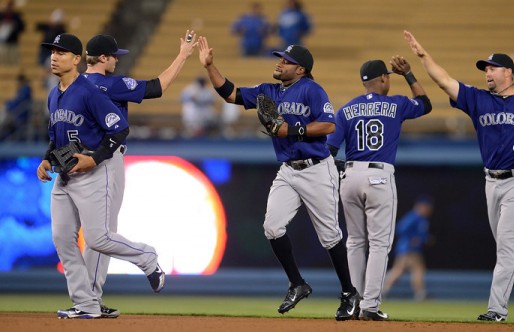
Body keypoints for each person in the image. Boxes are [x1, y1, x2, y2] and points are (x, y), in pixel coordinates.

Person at [403, 30, 514, 322]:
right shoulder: (478, 99)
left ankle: (497, 310)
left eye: (492, 68)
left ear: (508, 72)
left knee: (506, 245)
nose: (487, 73)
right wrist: (422, 55)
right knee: (510, 244)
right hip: (491, 181)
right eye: (485, 69)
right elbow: (443, 80)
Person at [197, 36, 359, 320]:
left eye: (287, 61)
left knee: (330, 236)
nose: (280, 63)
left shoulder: (312, 89)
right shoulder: (267, 91)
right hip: (288, 170)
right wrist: (210, 66)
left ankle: (349, 293)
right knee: (272, 227)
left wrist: (292, 130)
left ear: (301, 69)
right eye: (280, 58)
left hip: (317, 169)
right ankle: (297, 283)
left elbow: (329, 124)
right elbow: (230, 94)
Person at [35, 33, 165, 319]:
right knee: (61, 238)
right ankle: (86, 303)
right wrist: (46, 158)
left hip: (93, 171)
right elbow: (56, 136)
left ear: (77, 59)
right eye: (52, 51)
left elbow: (119, 129)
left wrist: (94, 159)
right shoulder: (54, 93)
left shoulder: (90, 91)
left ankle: (147, 257)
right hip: (64, 174)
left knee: (98, 238)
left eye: (61, 52)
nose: (54, 56)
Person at [82, 31, 197, 318]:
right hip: (105, 160)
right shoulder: (112, 84)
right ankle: (144, 259)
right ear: (104, 58)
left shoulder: (72, 86)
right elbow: (157, 87)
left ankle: (90, 299)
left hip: (76, 162)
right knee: (101, 233)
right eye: (114, 57)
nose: (117, 62)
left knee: (87, 235)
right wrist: (183, 55)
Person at [327, 58, 432, 320]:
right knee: (379, 244)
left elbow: (328, 151)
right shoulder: (396, 103)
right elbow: (425, 104)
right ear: (384, 79)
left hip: (350, 175)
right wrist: (408, 74)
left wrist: (343, 168)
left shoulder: (347, 109)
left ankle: (353, 303)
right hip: (378, 176)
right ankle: (369, 306)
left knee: (354, 242)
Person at [382, 195, 434, 302]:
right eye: (427, 207)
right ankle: (420, 293)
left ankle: (382, 290)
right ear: (421, 206)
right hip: (408, 249)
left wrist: (425, 238)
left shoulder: (421, 218)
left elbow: (419, 234)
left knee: (400, 270)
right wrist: (413, 238)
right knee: (414, 270)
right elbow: (401, 228)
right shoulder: (414, 216)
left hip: (412, 249)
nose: (429, 210)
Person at [0, 73, 32, 141]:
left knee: (4, 113)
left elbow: (20, 102)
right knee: (4, 113)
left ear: (21, 81)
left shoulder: (25, 89)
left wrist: (8, 105)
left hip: (21, 114)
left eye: (18, 82)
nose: (17, 84)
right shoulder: (22, 90)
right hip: (17, 112)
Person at [0, 0, 25, 65]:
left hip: (13, 42)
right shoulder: (1, 15)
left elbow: (22, 28)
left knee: (14, 61)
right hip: (2, 42)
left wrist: (15, 25)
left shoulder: (16, 16)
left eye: (10, 6)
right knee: (3, 61)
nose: (8, 8)